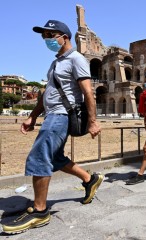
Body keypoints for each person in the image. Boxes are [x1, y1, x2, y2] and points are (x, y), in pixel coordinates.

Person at [1, 20, 103, 234]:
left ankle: (39, 211)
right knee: (55, 157)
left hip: (62, 115)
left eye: (50, 35)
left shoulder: (76, 59)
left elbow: (88, 93)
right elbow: (47, 94)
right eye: (44, 36)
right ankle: (89, 179)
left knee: (40, 157)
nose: (47, 39)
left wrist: (93, 121)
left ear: (64, 37)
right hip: (51, 115)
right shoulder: (56, 63)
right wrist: (32, 117)